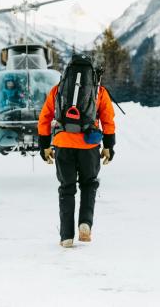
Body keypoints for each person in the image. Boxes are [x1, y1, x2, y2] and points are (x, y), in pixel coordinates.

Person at [37, 61, 115, 248]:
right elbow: (108, 120)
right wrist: (109, 146)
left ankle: (66, 236)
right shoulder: (98, 91)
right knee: (89, 185)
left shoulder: (58, 90)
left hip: (63, 144)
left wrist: (44, 146)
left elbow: (45, 118)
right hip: (89, 146)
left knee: (67, 188)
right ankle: (85, 224)